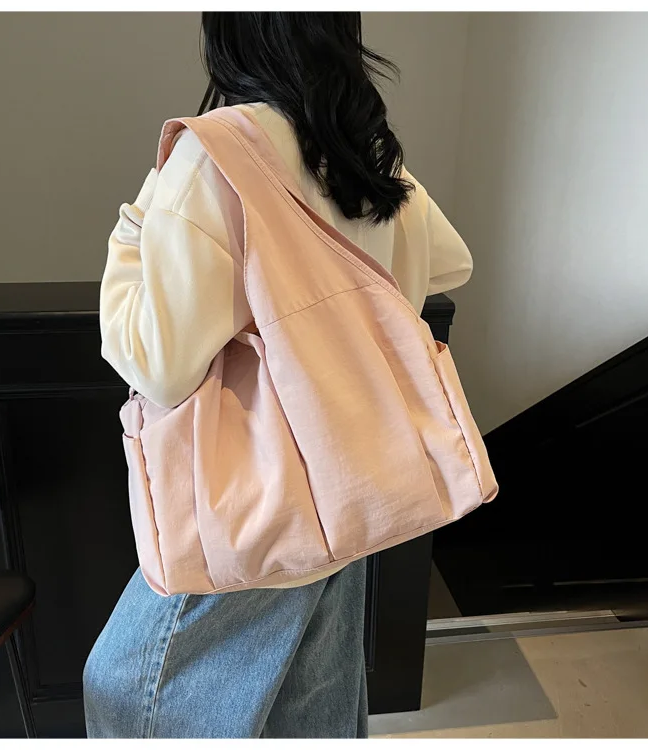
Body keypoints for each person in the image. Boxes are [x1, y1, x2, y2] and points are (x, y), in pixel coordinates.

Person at [83, 11, 472, 739]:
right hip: (352, 489)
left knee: (126, 691)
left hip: (258, 507)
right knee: (313, 715)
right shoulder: (366, 148)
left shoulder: (215, 155)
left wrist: (135, 229)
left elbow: (157, 366)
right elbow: (453, 262)